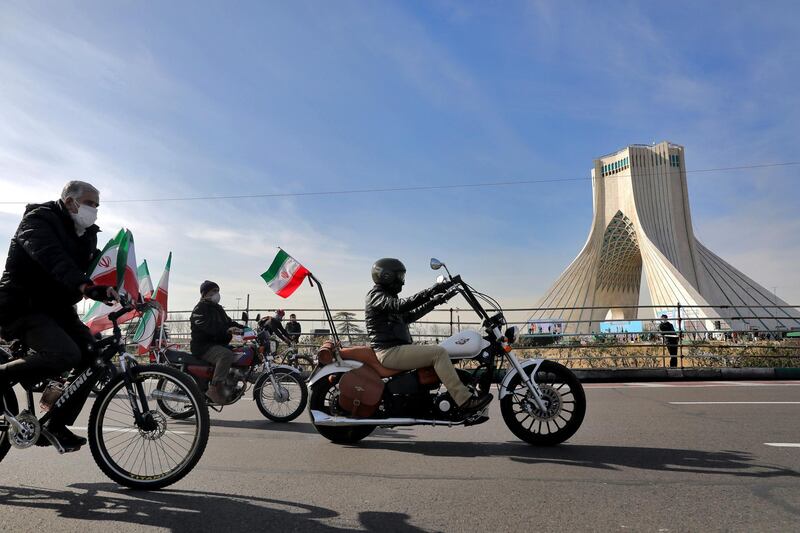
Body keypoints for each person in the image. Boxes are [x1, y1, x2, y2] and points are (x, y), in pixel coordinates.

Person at [0, 181, 118, 452]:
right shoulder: (39, 220)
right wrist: (85, 285)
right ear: (69, 202)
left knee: (94, 358)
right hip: (21, 303)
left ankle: (56, 425)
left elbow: (98, 268)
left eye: (97, 206)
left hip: (57, 308)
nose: (94, 211)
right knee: (65, 354)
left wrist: (118, 289)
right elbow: (52, 258)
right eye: (90, 203)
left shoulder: (87, 235)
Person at [365, 258, 492, 415]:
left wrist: (435, 301)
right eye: (400, 277)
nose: (402, 282)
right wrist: (431, 290)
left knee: (443, 352)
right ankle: (464, 401)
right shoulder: (376, 295)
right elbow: (400, 306)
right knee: (438, 353)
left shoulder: (387, 298)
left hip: (398, 349)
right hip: (389, 351)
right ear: (387, 276)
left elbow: (409, 316)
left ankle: (467, 388)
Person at [190, 280, 245, 404]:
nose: (217, 294)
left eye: (218, 291)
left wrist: (245, 329)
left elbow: (229, 322)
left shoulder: (218, 309)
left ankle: (229, 383)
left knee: (238, 352)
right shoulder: (199, 309)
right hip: (203, 346)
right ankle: (214, 388)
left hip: (216, 344)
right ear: (205, 293)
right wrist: (227, 330)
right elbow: (208, 326)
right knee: (225, 355)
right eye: (214, 291)